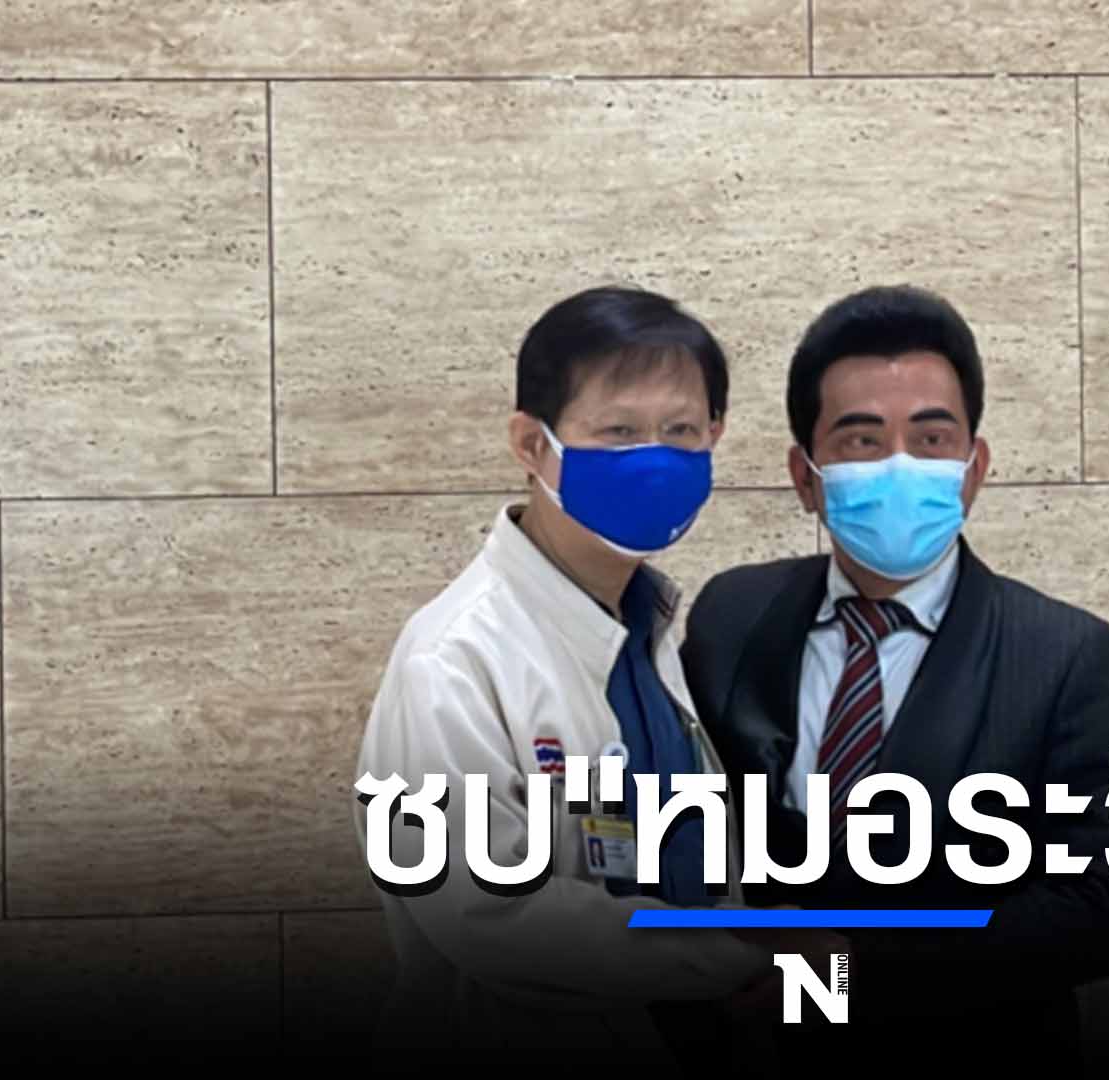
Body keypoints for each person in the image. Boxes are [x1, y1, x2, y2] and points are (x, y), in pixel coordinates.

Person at [353, 286, 838, 1067]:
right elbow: (488, 917)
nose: (654, 456)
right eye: (618, 431)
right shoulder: (457, 659)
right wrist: (740, 956)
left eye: (681, 431)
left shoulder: (652, 632)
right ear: (530, 443)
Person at [682, 285, 1109, 1069]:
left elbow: (1097, 909)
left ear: (974, 469)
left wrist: (851, 971)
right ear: (806, 476)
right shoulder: (732, 616)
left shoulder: (1070, 656)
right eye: (862, 440)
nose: (900, 464)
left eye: (932, 438)